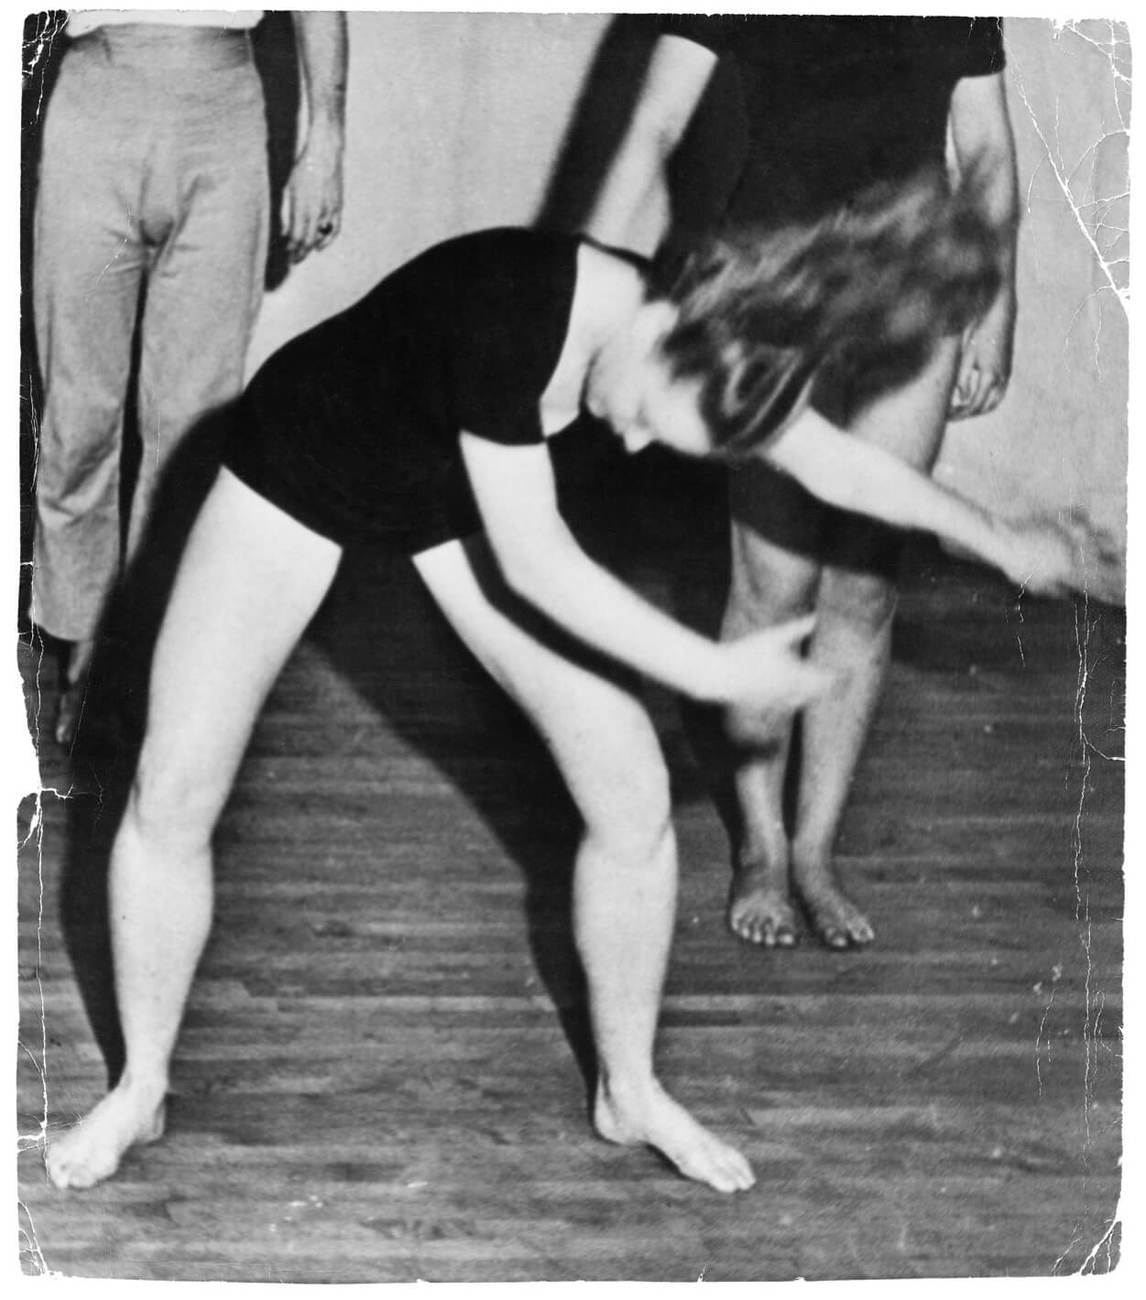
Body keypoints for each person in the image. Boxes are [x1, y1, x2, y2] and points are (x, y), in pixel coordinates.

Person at [41, 183, 1118, 1197]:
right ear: (664, 341)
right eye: (652, 418)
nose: (635, 438)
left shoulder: (709, 336)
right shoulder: (519, 310)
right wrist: (708, 668)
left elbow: (833, 464)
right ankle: (141, 1089)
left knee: (631, 793)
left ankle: (631, 1092)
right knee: (174, 789)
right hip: (305, 457)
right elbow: (540, 562)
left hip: (448, 491)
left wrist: (1004, 539)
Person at [585, 16, 1021, 950]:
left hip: (911, 295)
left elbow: (985, 142)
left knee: (865, 583)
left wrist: (998, 299)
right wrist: (588, 288)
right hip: (770, 286)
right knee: (773, 585)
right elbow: (657, 121)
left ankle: (818, 853)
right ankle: (764, 849)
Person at [31, 9, 348, 747]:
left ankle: (138, 656)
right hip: (96, 92)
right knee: (78, 417)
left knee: (190, 430)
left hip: (225, 105)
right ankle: (82, 646)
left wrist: (326, 139)